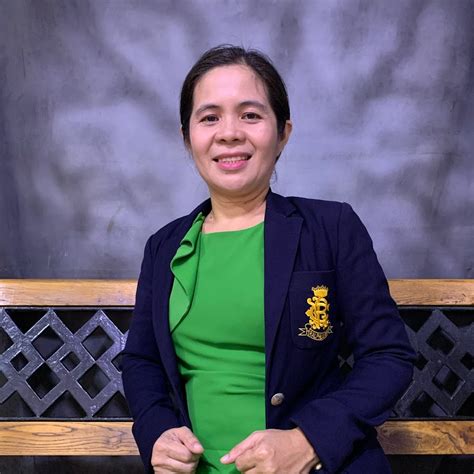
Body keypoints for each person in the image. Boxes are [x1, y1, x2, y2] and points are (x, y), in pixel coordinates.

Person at [121, 45, 415, 474]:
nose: (229, 133)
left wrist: (308, 441)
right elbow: (142, 361)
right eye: (209, 118)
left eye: (250, 115)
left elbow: (388, 356)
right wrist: (156, 432)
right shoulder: (163, 246)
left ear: (282, 133)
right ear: (187, 138)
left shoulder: (331, 228)